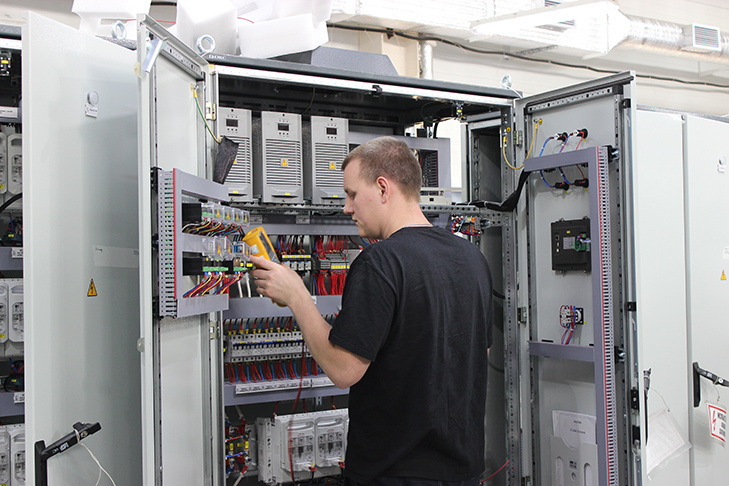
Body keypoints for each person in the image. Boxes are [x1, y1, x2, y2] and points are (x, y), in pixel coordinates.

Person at [251, 136, 493, 486]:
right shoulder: (472, 258)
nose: (346, 208)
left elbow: (343, 370)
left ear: (383, 188)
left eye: (352, 194)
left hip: (393, 472)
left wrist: (297, 296)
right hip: (463, 471)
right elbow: (479, 354)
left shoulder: (380, 261)